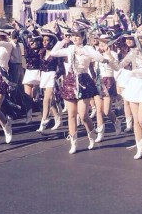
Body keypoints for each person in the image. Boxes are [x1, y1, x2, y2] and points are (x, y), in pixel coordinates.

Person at [49, 25, 116, 154]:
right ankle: (73, 143)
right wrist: (63, 41)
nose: (75, 38)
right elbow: (53, 53)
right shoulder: (69, 48)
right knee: (71, 114)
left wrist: (85, 52)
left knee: (83, 115)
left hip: (83, 80)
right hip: (70, 81)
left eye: (78, 35)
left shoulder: (88, 49)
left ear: (83, 37)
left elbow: (100, 58)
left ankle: (91, 136)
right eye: (73, 35)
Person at [119, 27, 142, 160]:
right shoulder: (132, 52)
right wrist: (108, 58)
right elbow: (120, 64)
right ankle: (140, 147)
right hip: (134, 85)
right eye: (140, 38)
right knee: (136, 121)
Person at [92, 34, 122, 142]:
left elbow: (116, 67)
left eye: (104, 43)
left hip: (108, 81)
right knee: (98, 110)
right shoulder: (96, 54)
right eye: (100, 43)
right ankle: (100, 133)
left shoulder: (112, 54)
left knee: (106, 111)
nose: (102, 45)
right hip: (98, 82)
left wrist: (108, 55)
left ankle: (116, 122)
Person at [36, 31, 63, 133]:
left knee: (46, 99)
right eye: (43, 40)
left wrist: (57, 76)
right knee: (50, 102)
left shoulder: (56, 53)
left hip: (52, 76)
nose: (44, 42)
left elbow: (61, 68)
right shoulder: (41, 52)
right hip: (44, 76)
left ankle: (43, 122)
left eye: (47, 40)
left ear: (51, 42)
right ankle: (57, 117)